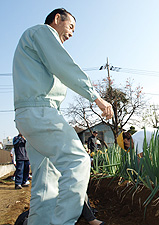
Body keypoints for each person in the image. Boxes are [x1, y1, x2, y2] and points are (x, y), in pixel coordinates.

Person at [13, 8, 113, 225]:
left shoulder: (32, 42)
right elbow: (64, 66)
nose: (71, 34)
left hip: (29, 115)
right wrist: (96, 97)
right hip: (40, 111)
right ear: (57, 19)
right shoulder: (42, 32)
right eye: (70, 27)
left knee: (45, 183)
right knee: (78, 160)